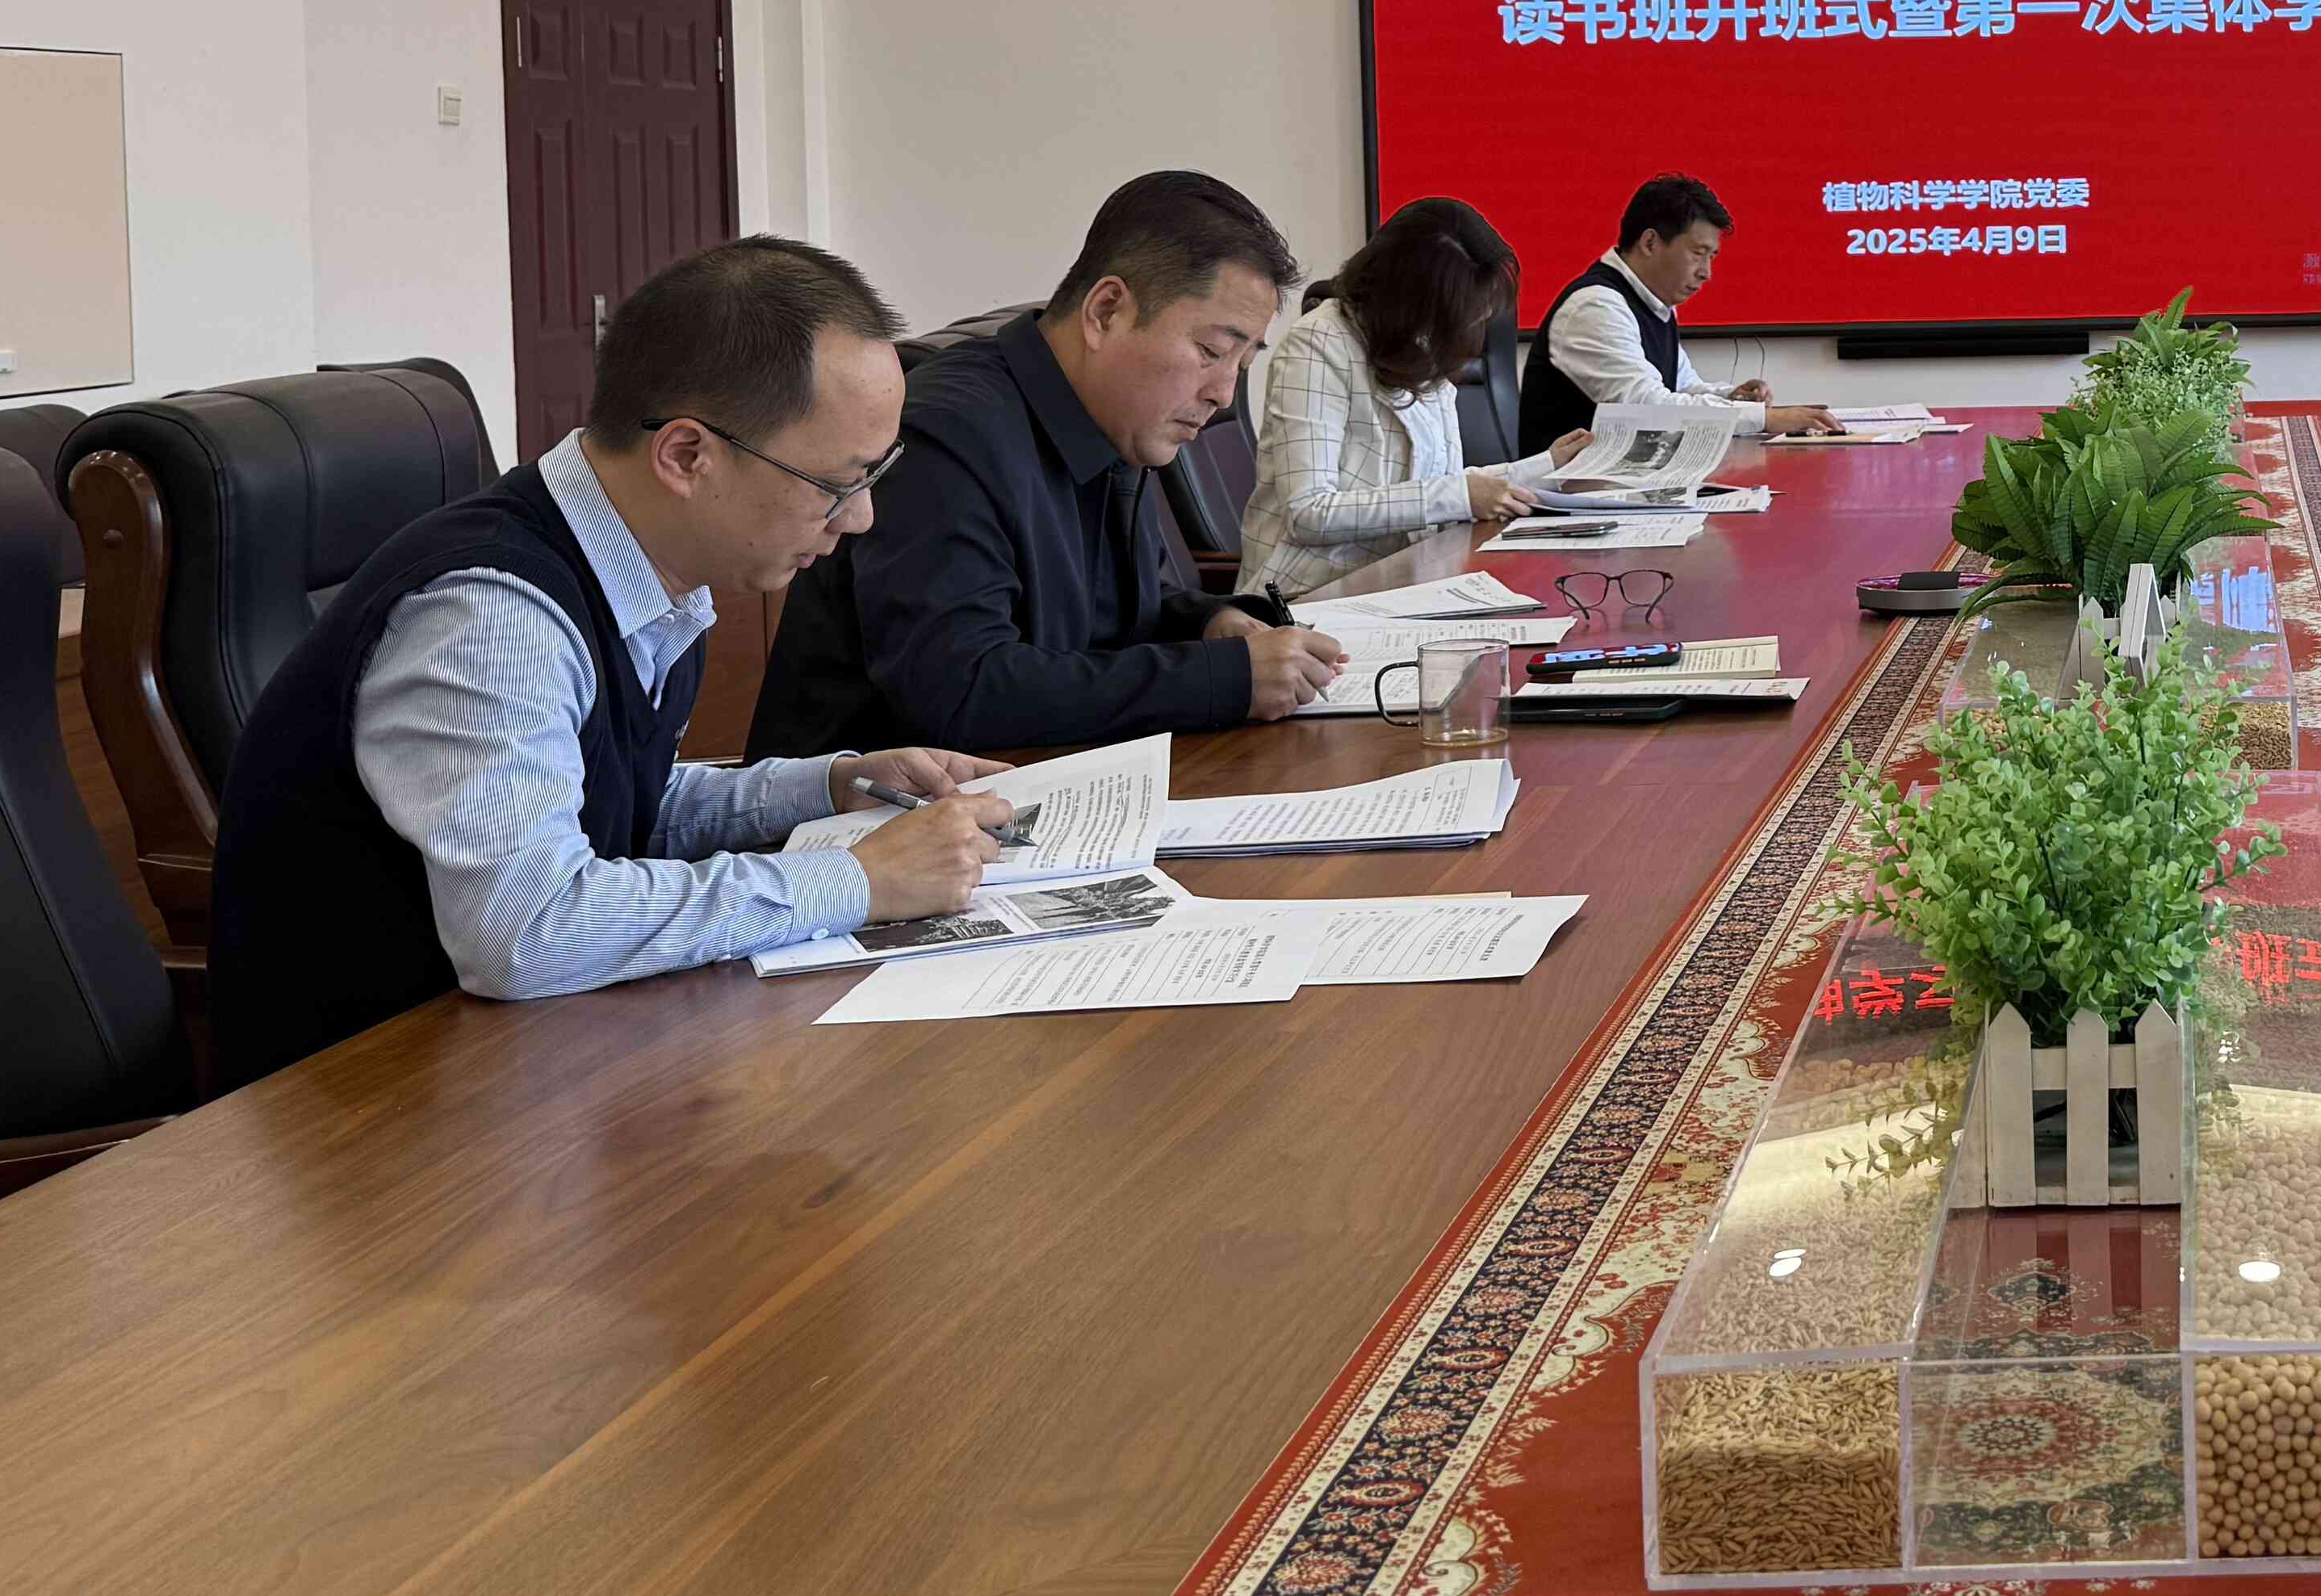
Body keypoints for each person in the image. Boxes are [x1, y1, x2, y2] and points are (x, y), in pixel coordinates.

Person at [206, 238, 1014, 1087]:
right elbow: (526, 932)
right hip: (364, 1105)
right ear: (687, 456)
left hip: (517, 1064)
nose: (861, 519)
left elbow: (612, 796)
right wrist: (856, 879)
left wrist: (831, 786)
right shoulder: (490, 617)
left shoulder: (644, 572)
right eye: (836, 484)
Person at [752, 170, 1354, 756]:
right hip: (859, 813)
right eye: (1211, 351)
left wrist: (1209, 623)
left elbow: (1107, 616)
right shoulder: (944, 437)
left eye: (1242, 364)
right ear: (1106, 312)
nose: (1224, 394)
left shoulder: (1115, 417)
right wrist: (1223, 678)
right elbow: (962, 692)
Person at [1238, 197, 1594, 601]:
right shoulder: (1318, 345)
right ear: (1412, 298)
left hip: (1406, 582)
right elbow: (1309, 513)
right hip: (1311, 597)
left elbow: (1440, 485)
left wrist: (1547, 464)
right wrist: (1461, 497)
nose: (1473, 324)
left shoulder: (1422, 346)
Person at [1516, 174, 1837, 448]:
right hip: (1569, 494)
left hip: (1626, 484)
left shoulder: (1652, 302)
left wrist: (1731, 397)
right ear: (1650, 243)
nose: (1706, 272)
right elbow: (1647, 408)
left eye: (1712, 257)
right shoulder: (1596, 307)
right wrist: (1764, 418)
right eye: (1698, 253)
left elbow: (1680, 388)